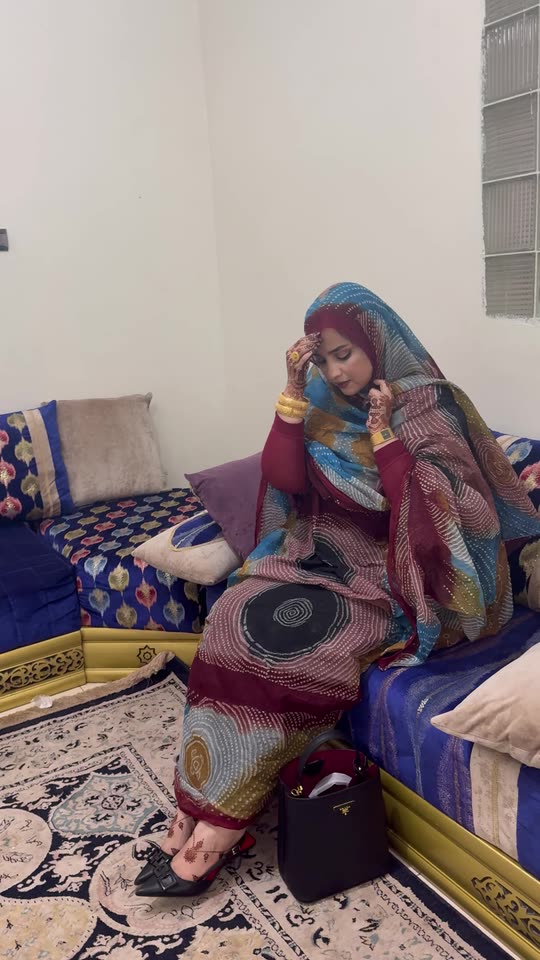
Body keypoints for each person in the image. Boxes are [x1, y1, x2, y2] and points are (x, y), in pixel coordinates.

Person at [135, 282, 540, 898]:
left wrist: (385, 441)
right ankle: (196, 801)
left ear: (377, 340)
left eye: (344, 354)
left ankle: (220, 828)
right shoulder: (321, 398)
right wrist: (293, 397)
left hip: (397, 575)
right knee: (233, 618)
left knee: (289, 647)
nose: (335, 371)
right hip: (318, 553)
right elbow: (285, 479)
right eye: (322, 360)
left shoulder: (428, 407)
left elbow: (454, 520)